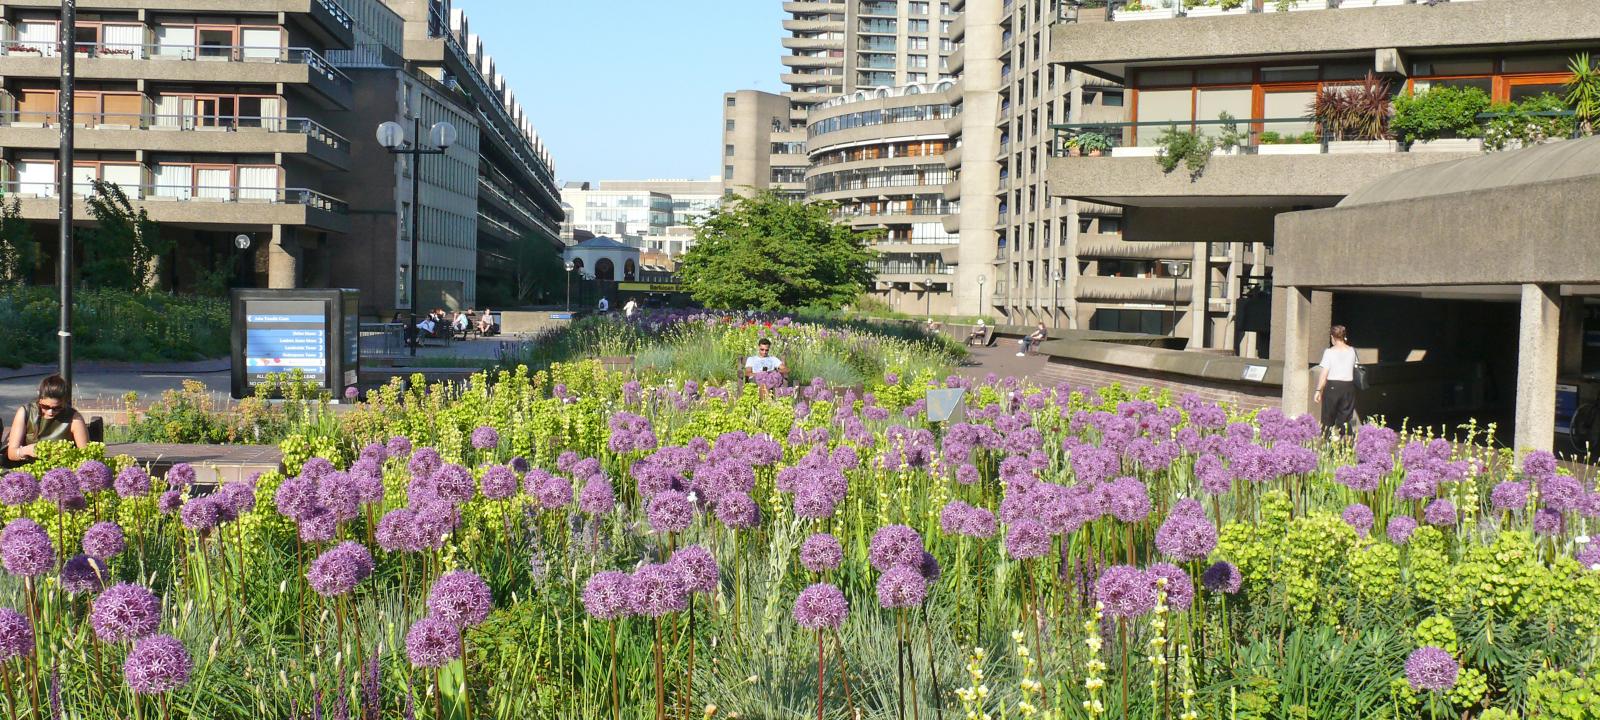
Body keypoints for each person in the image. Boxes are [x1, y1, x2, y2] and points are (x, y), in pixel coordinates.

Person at [6, 375, 89, 464]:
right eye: (45, 407)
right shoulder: (26, 412)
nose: (50, 412)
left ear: (64, 402)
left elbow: (85, 456)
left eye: (57, 408)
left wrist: (63, 454)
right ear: (40, 399)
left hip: (62, 470)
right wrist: (26, 451)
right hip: (29, 469)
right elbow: (11, 454)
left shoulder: (74, 418)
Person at [1314, 324, 1360, 434]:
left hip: (1332, 386)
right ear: (1344, 336)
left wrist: (1318, 390)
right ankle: (1344, 446)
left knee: (1328, 419)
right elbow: (1356, 367)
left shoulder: (1329, 352)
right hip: (1348, 387)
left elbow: (1324, 373)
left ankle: (1327, 446)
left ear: (1332, 337)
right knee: (1345, 419)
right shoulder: (1352, 350)